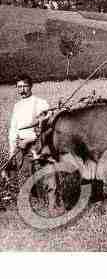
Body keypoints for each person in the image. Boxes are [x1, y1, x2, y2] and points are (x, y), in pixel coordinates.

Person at [1, 75, 56, 210]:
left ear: (31, 86)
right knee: (27, 180)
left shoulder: (40, 103)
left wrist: (30, 140)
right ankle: (36, 208)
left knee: (47, 178)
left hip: (39, 146)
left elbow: (47, 127)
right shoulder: (17, 106)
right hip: (21, 149)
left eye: (24, 86)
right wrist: (12, 149)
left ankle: (53, 208)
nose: (22, 90)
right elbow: (13, 130)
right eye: (19, 87)